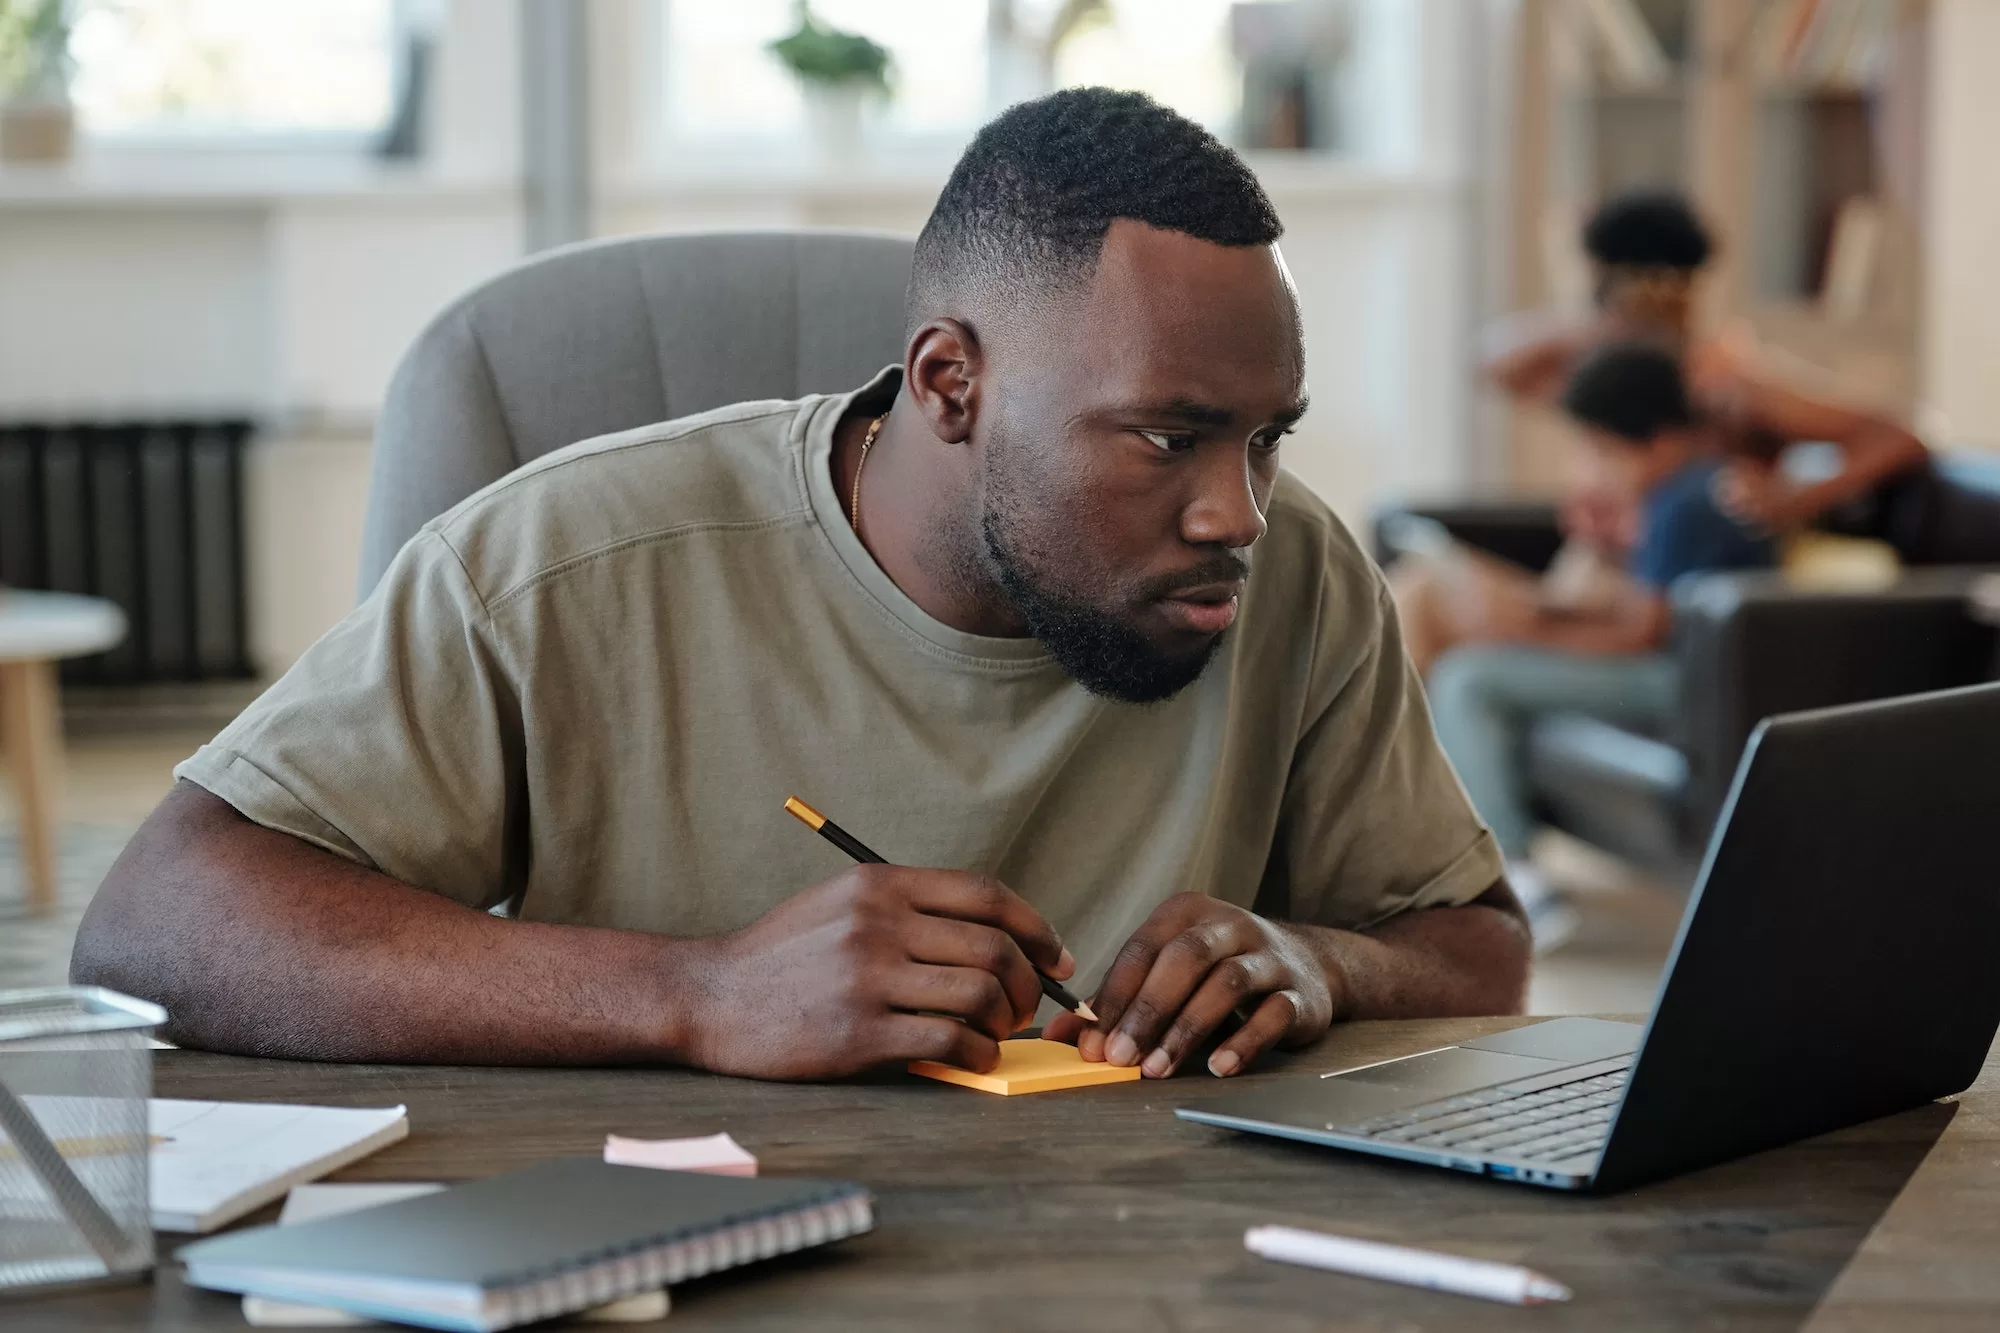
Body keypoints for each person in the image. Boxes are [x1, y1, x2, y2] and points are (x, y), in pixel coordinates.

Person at [73, 89, 1529, 1084]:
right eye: (1168, 437)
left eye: (1269, 438)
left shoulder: (1295, 575)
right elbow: (162, 918)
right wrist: (695, 994)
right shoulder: (566, 563)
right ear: (952, 382)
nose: (1238, 510)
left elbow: (1477, 945)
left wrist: (1321, 960)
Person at [1424, 341, 1777, 908]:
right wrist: (1545, 616)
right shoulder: (1693, 486)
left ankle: (1510, 869)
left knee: (1470, 678)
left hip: (1679, 680)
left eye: (1608, 450)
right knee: (1472, 660)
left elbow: (1644, 635)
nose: (1603, 468)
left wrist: (1525, 636)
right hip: (1685, 669)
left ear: (1660, 439)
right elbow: (1642, 610)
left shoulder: (1684, 503)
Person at [1483, 189, 1994, 562]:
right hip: (1618, 558)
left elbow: (1902, 434)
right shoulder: (1603, 372)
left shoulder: (1728, 378)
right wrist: (1604, 320)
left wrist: (1795, 499)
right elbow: (1495, 364)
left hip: (1692, 578)